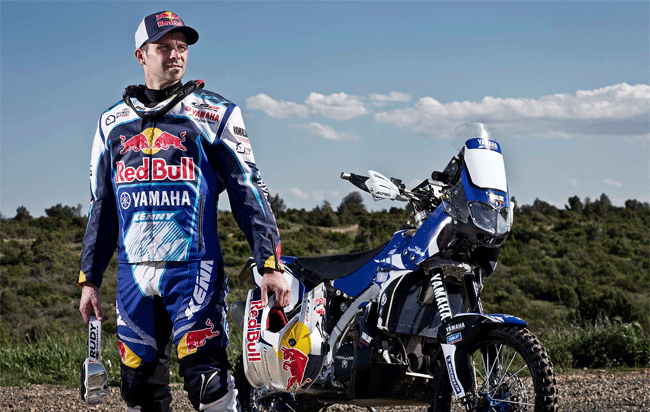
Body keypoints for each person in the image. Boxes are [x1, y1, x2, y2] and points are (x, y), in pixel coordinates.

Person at [78, 11, 290, 412]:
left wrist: (269, 264)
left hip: (194, 268)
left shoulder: (216, 113)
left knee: (207, 380)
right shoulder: (111, 123)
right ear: (141, 55)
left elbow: (248, 192)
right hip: (133, 274)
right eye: (164, 47)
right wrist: (90, 279)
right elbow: (102, 205)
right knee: (137, 386)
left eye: (182, 46)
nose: (175, 54)